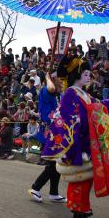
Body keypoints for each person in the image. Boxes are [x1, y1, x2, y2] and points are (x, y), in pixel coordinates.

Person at [41, 57, 109, 218]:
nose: (89, 77)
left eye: (89, 74)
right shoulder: (70, 93)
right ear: (77, 76)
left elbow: (97, 106)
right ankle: (78, 209)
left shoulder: (83, 94)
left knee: (85, 178)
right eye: (86, 74)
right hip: (76, 141)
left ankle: (82, 207)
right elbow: (67, 117)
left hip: (86, 140)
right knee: (79, 177)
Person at [29, 72, 67, 204]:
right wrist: (46, 78)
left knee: (56, 162)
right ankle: (36, 187)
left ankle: (54, 193)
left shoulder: (59, 95)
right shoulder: (46, 90)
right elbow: (51, 88)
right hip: (48, 132)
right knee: (52, 163)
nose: (62, 83)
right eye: (59, 80)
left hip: (57, 133)